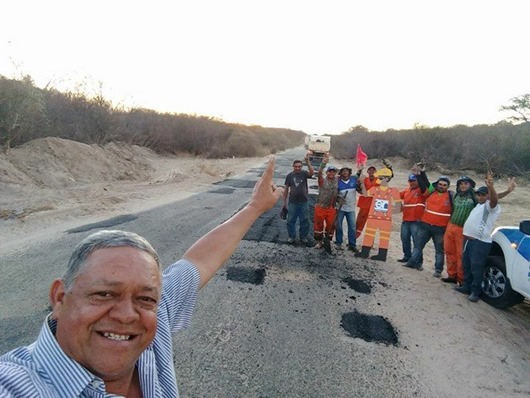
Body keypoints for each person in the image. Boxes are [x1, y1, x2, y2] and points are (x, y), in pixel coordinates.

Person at [0, 157, 284, 397]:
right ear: (60, 299)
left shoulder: (153, 318)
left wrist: (254, 208)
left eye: (144, 298)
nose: (127, 315)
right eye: (105, 294)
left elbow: (199, 260)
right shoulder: (17, 385)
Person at [442, 176, 516, 285]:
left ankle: (462, 280)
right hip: (452, 226)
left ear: (471, 185)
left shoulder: (474, 196)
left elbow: (491, 198)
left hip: (463, 230)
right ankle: (452, 275)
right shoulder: (456, 195)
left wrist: (506, 191)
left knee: (460, 255)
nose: (463, 186)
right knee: (449, 251)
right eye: (461, 183)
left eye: (466, 183)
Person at [455, 174, 500, 302]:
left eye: (483, 195)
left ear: (488, 196)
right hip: (468, 240)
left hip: (480, 242)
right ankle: (466, 287)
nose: (480, 196)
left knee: (476, 267)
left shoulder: (490, 207)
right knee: (467, 264)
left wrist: (490, 187)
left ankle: (475, 292)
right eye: (479, 194)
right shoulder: (479, 205)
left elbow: (494, 200)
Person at [404, 172, 452, 276]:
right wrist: (421, 173)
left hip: (440, 228)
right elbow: (424, 183)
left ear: (448, 186)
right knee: (418, 245)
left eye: (444, 185)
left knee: (439, 250)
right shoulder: (431, 192)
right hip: (425, 225)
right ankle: (412, 262)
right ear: (437, 184)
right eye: (440, 184)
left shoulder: (451, 196)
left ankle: (438, 270)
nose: (442, 186)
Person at [355, 167, 402, 261]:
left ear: (387, 179)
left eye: (381, 178)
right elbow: (364, 194)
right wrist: (362, 183)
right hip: (374, 216)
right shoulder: (375, 189)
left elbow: (399, 207)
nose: (379, 179)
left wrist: (388, 212)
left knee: (384, 236)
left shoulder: (394, 190)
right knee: (369, 234)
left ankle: (382, 255)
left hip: (384, 218)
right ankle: (365, 252)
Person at [283, 154, 314, 244]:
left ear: (302, 167)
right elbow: (286, 189)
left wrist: (308, 162)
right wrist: (284, 202)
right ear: (293, 167)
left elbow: (312, 173)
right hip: (292, 202)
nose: (297, 168)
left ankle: (303, 237)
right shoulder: (289, 176)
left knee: (305, 220)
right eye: (296, 166)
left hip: (304, 202)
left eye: (299, 166)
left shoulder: (304, 173)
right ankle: (291, 237)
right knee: (290, 220)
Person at [397, 173, 427, 263]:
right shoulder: (406, 190)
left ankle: (418, 261)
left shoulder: (421, 191)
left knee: (417, 242)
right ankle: (407, 256)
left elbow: (425, 186)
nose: (412, 183)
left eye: (414, 181)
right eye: (410, 181)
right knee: (404, 239)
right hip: (406, 219)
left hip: (416, 221)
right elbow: (396, 195)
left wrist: (421, 173)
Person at [313, 155, 339, 249]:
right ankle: (319, 242)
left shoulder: (337, 180)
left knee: (331, 226)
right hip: (320, 206)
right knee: (318, 225)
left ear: (335, 173)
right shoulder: (322, 180)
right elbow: (319, 173)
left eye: (333, 172)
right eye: (330, 171)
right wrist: (323, 164)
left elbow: (346, 176)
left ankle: (327, 241)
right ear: (327, 172)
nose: (331, 173)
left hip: (331, 208)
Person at [335, 166, 362, 252]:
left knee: (352, 227)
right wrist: (338, 199)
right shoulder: (337, 181)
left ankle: (352, 244)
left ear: (349, 172)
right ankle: (338, 242)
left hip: (351, 208)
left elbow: (361, 189)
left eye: (347, 171)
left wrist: (360, 169)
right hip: (340, 208)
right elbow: (334, 194)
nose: (345, 172)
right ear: (341, 173)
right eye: (343, 171)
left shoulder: (354, 179)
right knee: (338, 225)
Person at [355, 165, 380, 239]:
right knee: (359, 222)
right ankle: (354, 239)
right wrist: (359, 170)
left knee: (372, 224)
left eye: (373, 170)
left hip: (374, 205)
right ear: (367, 171)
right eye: (370, 170)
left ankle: (369, 242)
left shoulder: (379, 180)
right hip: (364, 205)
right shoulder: (363, 179)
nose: (371, 171)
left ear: (376, 172)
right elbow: (357, 186)